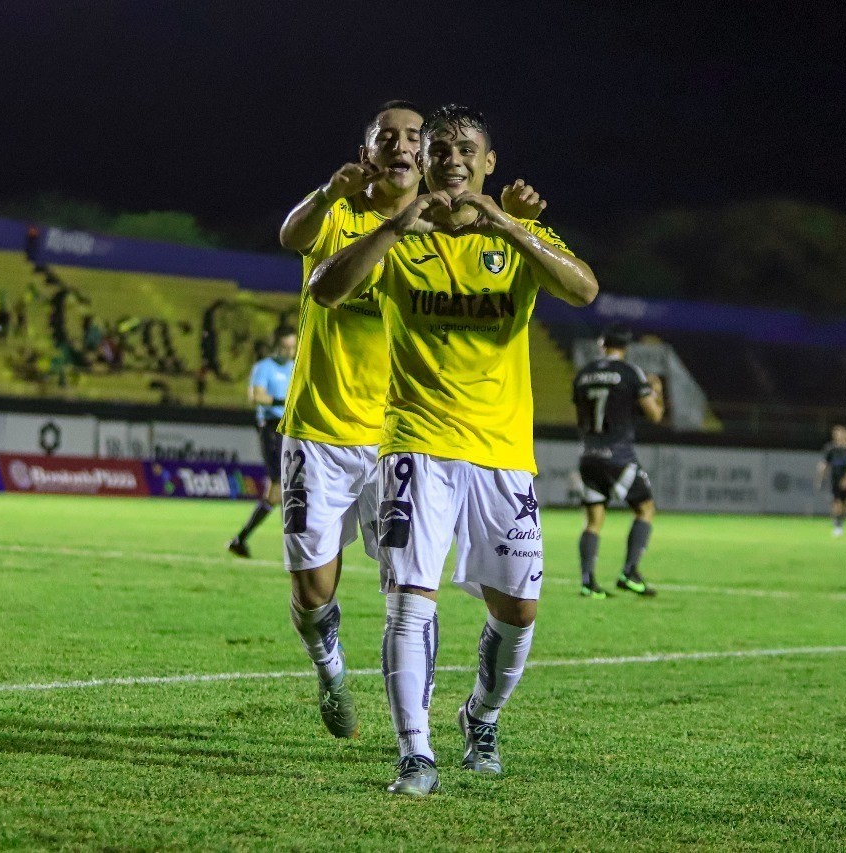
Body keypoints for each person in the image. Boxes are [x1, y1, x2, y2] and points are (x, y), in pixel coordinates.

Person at [310, 104, 598, 796]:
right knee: (409, 601)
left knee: (519, 611)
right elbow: (325, 289)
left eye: (468, 149)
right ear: (427, 162)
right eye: (441, 150)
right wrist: (389, 226)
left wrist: (508, 223)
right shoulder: (401, 237)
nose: (453, 159)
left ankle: (482, 717)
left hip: (504, 457)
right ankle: (415, 752)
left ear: (489, 163)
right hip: (417, 447)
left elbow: (584, 289)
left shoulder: (518, 235)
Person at [276, 100, 551, 741]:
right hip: (321, 427)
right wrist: (329, 193)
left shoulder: (450, 229)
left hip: (401, 435)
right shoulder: (344, 215)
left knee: (408, 591)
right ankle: (331, 668)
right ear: (369, 150)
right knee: (314, 590)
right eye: (388, 137)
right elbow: (295, 244)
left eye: (414, 137)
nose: (403, 146)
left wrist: (513, 227)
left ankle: (427, 732)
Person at [573, 324, 665, 599]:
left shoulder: (584, 374)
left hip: (589, 454)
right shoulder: (630, 372)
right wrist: (655, 391)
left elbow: (579, 414)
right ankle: (629, 572)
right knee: (645, 509)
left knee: (593, 521)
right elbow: (654, 416)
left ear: (602, 346)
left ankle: (588, 582)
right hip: (619, 456)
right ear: (625, 348)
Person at [228, 327, 298, 558]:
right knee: (279, 488)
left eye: (292, 347)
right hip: (271, 430)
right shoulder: (264, 367)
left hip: (291, 430)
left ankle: (242, 539)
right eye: (285, 347)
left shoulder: (295, 366)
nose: (289, 351)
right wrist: (281, 401)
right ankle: (245, 539)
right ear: (275, 346)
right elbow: (256, 396)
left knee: (283, 490)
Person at [816, 424, 846, 537]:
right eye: (836, 433)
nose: (838, 435)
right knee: (836, 501)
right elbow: (824, 464)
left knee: (845, 503)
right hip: (834, 478)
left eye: (840, 433)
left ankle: (841, 522)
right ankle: (837, 525)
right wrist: (821, 476)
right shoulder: (830, 448)